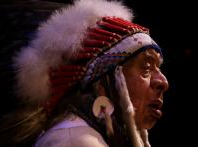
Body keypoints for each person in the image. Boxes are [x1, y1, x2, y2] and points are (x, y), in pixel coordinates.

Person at [10, 0, 169, 146]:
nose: (163, 82)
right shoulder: (77, 141)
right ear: (101, 83)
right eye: (146, 68)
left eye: (158, 68)